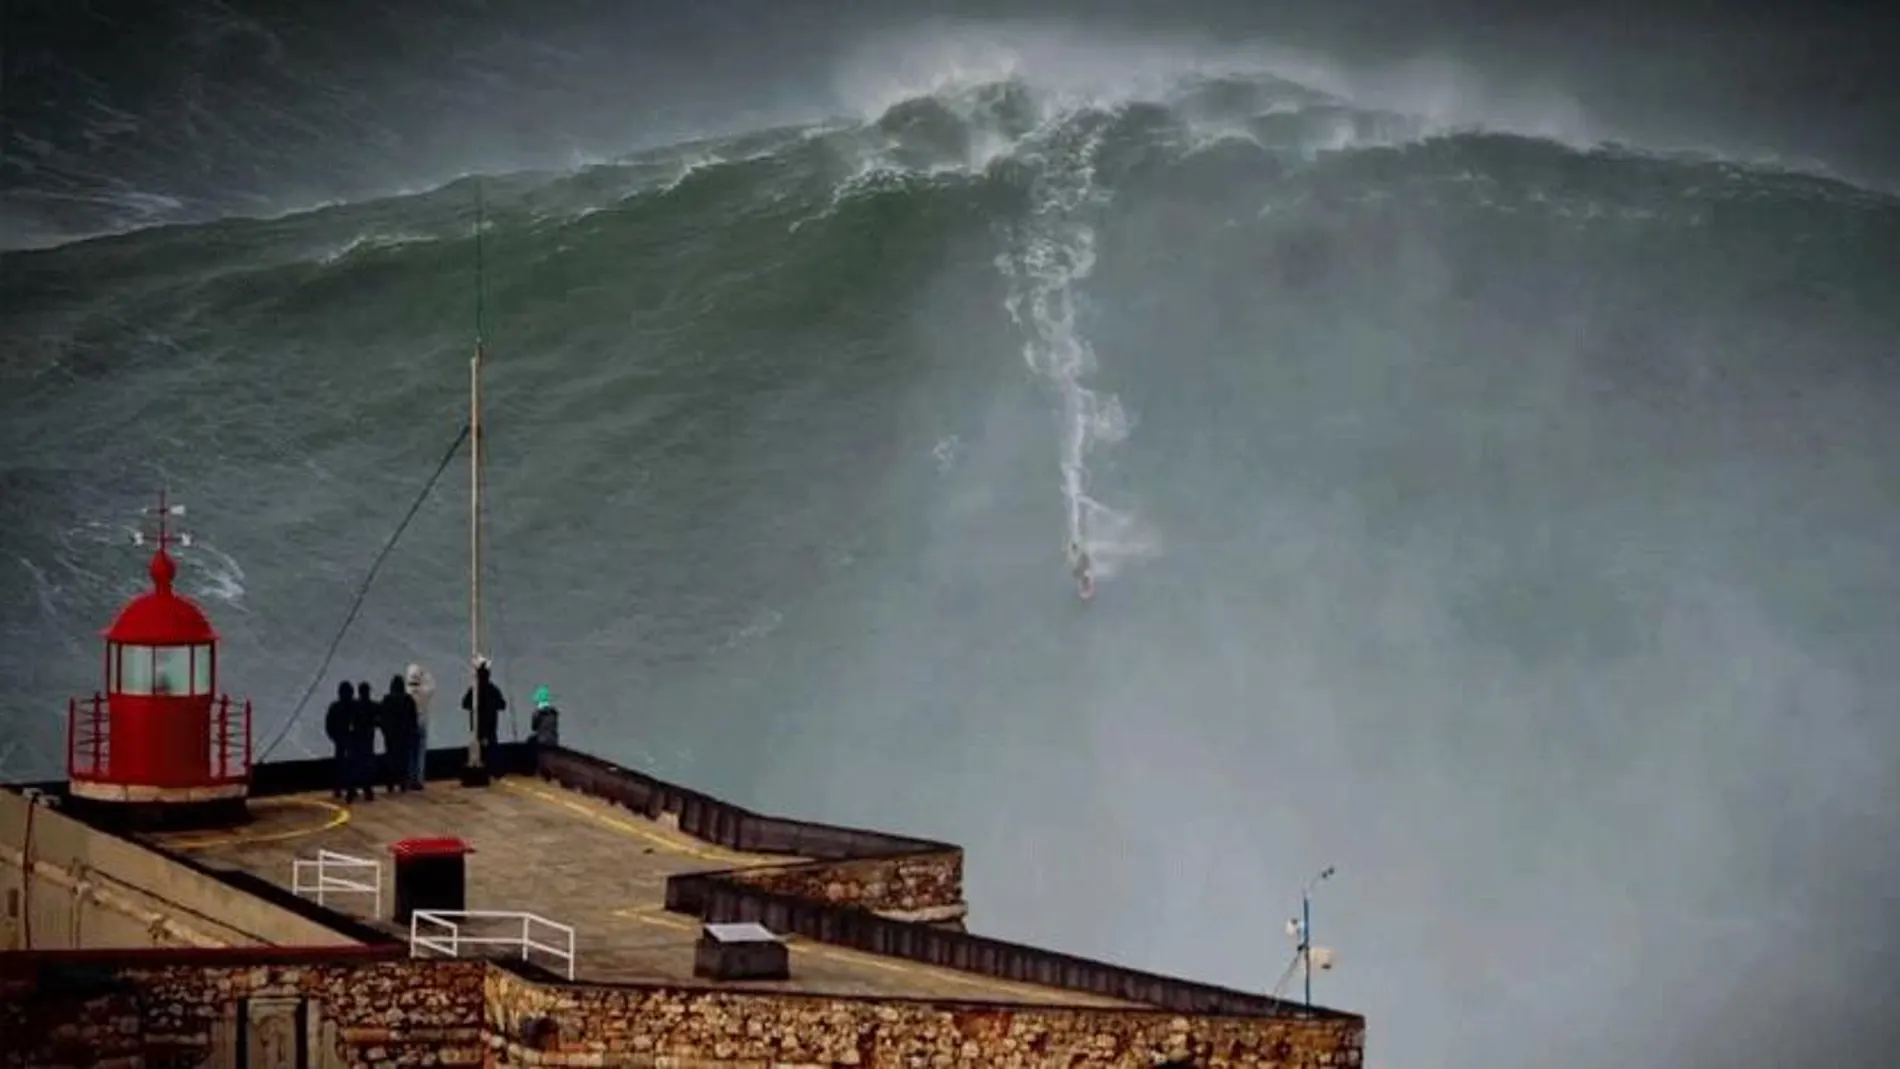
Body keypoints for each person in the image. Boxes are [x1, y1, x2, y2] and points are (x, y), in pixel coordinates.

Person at [461, 658, 506, 775]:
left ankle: (482, 769)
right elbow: (502, 705)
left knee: (480, 748)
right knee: (492, 747)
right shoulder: (493, 689)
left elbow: (465, 704)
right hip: (490, 723)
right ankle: (495, 770)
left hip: (478, 724)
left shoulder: (474, 690)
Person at [378, 675, 418, 792]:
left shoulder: (387, 699)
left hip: (391, 735)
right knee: (403, 759)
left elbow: (382, 717)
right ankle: (402, 782)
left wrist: (384, 730)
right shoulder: (408, 699)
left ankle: (390, 783)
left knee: (390, 759)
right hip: (404, 734)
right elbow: (413, 717)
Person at [345, 681, 380, 802]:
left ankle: (351, 791)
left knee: (354, 765)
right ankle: (368, 791)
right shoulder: (373, 706)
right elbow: (379, 721)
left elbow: (349, 721)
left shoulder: (354, 706)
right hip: (368, 740)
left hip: (356, 739)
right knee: (367, 766)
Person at [404, 662, 435, 789]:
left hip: (409, 722)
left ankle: (410, 778)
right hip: (422, 719)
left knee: (410, 752)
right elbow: (432, 685)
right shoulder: (424, 690)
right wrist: (425, 672)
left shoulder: (406, 692)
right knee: (421, 752)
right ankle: (420, 779)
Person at [324, 681, 354, 799]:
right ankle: (345, 787)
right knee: (347, 765)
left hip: (341, 739)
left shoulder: (335, 706)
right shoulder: (351, 706)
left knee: (341, 765)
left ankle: (341, 788)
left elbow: (328, 725)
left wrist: (334, 737)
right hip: (344, 739)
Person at [530, 685, 560, 755]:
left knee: (530, 742)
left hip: (542, 740)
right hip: (553, 740)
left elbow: (533, 727)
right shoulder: (553, 713)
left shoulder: (538, 713)